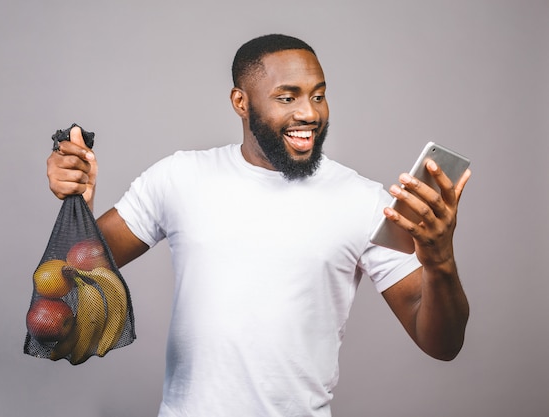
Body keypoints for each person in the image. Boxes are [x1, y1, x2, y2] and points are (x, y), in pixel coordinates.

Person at [47, 34, 471, 417]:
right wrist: (78, 209)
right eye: (287, 98)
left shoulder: (362, 200)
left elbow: (441, 343)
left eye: (318, 96)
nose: (309, 113)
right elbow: (65, 286)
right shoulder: (178, 178)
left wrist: (440, 261)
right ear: (241, 102)